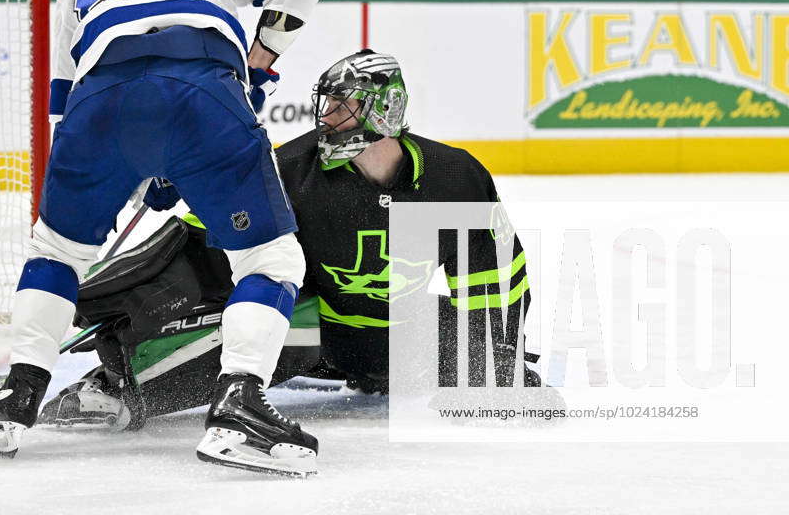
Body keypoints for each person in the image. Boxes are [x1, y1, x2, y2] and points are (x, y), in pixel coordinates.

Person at [0, 0, 323, 477]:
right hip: (201, 90)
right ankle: (238, 403)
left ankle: (20, 396)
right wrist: (258, 65)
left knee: (54, 253)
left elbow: (62, 101)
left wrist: (139, 162)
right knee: (271, 260)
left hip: (98, 108)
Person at [36, 50, 541, 430]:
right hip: (318, 336)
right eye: (326, 105)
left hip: (401, 336)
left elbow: (496, 273)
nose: (326, 117)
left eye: (342, 107)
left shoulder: (455, 178)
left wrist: (500, 352)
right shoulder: (293, 169)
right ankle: (123, 387)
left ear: (384, 112)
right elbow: (203, 240)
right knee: (265, 317)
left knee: (486, 359)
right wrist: (114, 289)